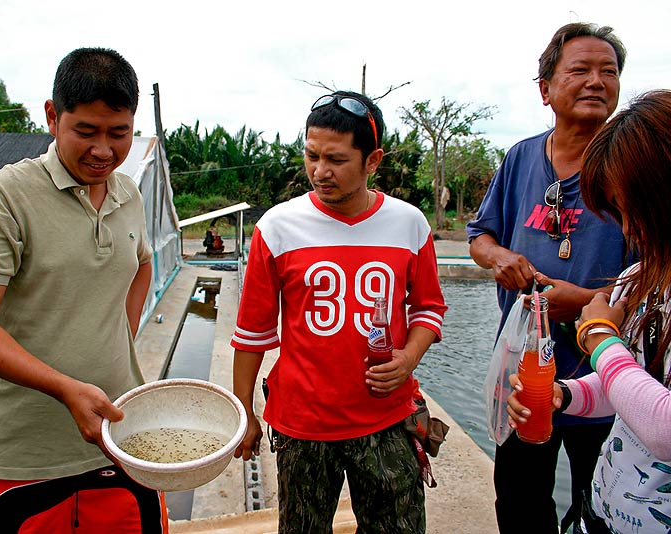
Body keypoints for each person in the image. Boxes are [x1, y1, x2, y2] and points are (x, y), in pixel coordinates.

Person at [0, 47, 167, 533]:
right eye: (85, 132)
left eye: (120, 133)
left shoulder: (126, 192)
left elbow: (142, 265)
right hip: (21, 458)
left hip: (120, 441)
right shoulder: (5, 197)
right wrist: (65, 387)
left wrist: (117, 337)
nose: (104, 151)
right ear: (52, 116)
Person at [231, 90, 447, 533]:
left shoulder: (409, 224)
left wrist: (408, 358)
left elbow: (428, 308)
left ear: (372, 161)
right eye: (311, 155)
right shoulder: (277, 227)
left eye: (336, 159)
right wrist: (244, 411)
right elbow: (251, 331)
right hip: (303, 423)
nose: (319, 171)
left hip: (387, 416)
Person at [466, 23, 631, 533]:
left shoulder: (635, 167)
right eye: (579, 70)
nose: (596, 82)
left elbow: (657, 280)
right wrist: (500, 260)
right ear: (545, 90)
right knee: (519, 502)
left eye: (609, 72)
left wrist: (584, 301)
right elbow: (480, 238)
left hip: (608, 380)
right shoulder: (520, 157)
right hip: (522, 373)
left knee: (602, 508)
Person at [508, 89, 671, 534]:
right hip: (606, 510)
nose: (629, 227)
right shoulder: (642, 278)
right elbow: (635, 387)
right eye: (616, 212)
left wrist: (599, 337)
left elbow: (663, 427)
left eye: (634, 208)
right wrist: (568, 394)